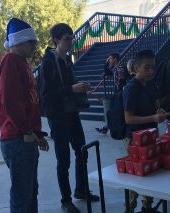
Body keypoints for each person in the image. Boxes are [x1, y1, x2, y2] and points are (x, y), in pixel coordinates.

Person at [39, 23, 99, 213]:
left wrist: (80, 86)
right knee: (63, 159)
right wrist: (72, 89)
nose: (71, 41)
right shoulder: (48, 62)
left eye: (72, 37)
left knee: (82, 151)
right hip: (57, 116)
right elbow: (46, 95)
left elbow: (68, 85)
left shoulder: (67, 60)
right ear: (56, 40)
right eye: (67, 38)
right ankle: (66, 201)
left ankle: (80, 190)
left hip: (71, 113)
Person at [0, 18, 49, 213]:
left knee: (30, 193)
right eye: (31, 42)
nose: (34, 46)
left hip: (26, 137)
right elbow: (10, 102)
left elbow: (28, 103)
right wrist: (27, 130)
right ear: (18, 41)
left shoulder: (23, 63)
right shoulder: (11, 61)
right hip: (17, 139)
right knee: (22, 197)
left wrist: (37, 135)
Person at [123, 50, 170, 213]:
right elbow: (128, 118)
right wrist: (153, 117)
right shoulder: (131, 88)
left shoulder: (151, 84)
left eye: (153, 68)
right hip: (134, 139)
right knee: (136, 175)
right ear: (136, 67)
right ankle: (129, 207)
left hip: (151, 134)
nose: (151, 71)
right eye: (147, 67)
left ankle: (147, 207)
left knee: (150, 171)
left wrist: (160, 111)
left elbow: (155, 104)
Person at [95, 56, 130, 134]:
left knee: (115, 112)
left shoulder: (120, 68)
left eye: (110, 58)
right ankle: (106, 128)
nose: (109, 59)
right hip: (117, 93)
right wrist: (106, 63)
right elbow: (107, 72)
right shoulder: (115, 69)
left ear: (115, 59)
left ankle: (108, 128)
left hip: (120, 93)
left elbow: (123, 79)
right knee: (114, 112)